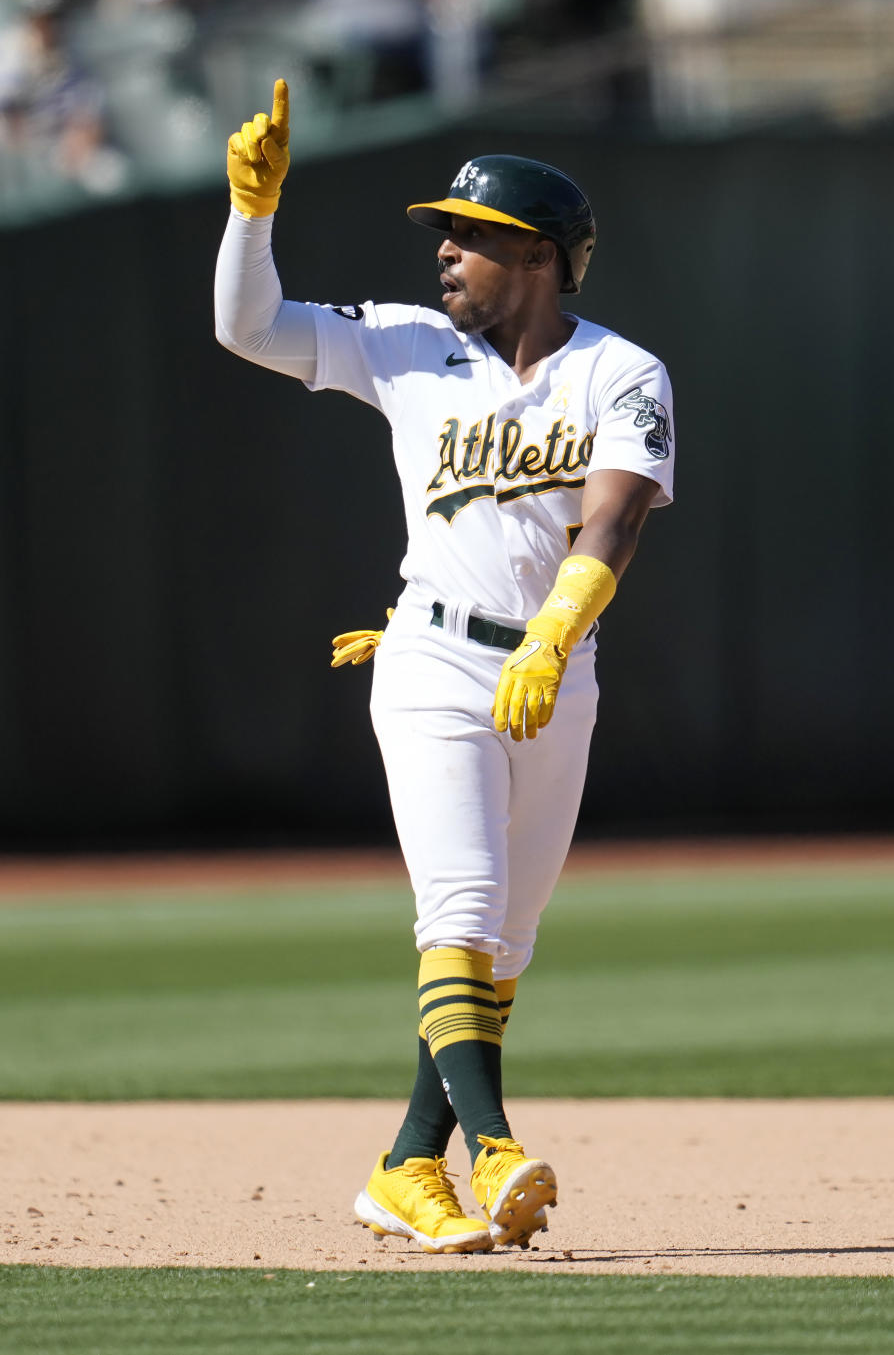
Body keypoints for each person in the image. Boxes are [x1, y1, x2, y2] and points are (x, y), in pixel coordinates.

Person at [215, 79, 675, 1256]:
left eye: (466, 236)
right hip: (426, 660)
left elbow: (613, 521)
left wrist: (555, 635)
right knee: (460, 908)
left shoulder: (620, 370)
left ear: (533, 255)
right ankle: (498, 1146)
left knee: (504, 944)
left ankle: (405, 1165)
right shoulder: (407, 345)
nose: (445, 253)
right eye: (444, 235)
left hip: (555, 673)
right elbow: (248, 328)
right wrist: (251, 215)